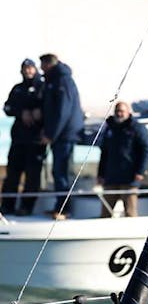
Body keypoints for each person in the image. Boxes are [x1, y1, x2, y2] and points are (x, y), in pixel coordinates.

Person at [39, 53, 84, 220]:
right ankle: (59, 206)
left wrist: (51, 134)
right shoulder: (54, 79)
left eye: (42, 65)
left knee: (61, 171)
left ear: (48, 65)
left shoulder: (61, 81)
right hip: (61, 134)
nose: (40, 69)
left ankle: (65, 209)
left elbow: (62, 112)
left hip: (64, 135)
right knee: (58, 171)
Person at [2, 59, 46, 216]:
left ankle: (26, 207)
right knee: (12, 174)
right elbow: (7, 107)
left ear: (35, 70)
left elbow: (51, 107)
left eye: (30, 68)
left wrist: (38, 112)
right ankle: (7, 206)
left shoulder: (43, 87)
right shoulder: (18, 89)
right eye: (25, 69)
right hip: (19, 139)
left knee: (32, 176)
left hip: (35, 140)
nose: (28, 71)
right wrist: (22, 112)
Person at [97, 101, 148, 218]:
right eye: (117, 111)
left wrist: (140, 171)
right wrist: (100, 174)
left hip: (129, 178)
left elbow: (146, 150)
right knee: (105, 213)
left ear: (128, 112)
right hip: (111, 177)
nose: (119, 114)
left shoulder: (137, 128)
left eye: (122, 111)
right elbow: (104, 153)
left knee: (130, 212)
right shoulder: (109, 128)